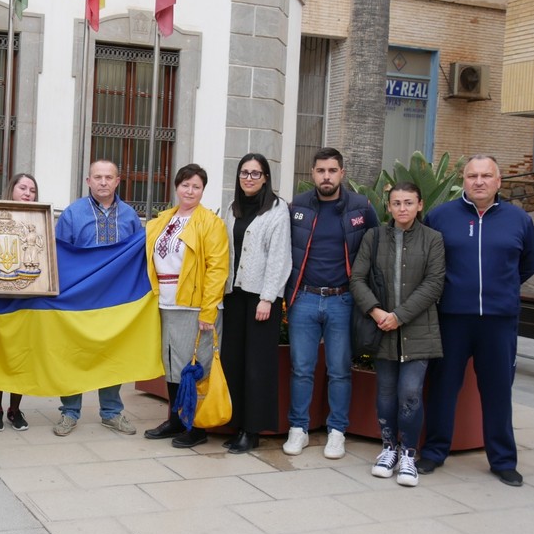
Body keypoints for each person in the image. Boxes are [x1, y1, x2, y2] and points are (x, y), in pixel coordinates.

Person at [419, 155, 534, 487]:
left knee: (498, 391)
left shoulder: (518, 220)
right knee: (444, 388)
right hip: (452, 318)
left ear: (499, 181)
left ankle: (502, 460)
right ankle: (433, 451)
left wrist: (504, 290)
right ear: (464, 180)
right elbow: (428, 261)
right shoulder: (441, 217)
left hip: (499, 322)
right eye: (473, 175)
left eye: (487, 175)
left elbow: (528, 263)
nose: (479, 181)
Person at [284, 147, 378, 459]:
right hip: (305, 298)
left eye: (332, 170)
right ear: (312, 174)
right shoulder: (297, 206)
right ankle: (298, 428)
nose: (327, 176)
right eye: (321, 170)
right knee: (301, 369)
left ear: (342, 173)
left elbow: (376, 249)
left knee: (340, 370)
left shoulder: (361, 207)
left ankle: (336, 430)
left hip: (342, 299)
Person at [350, 182, 445, 487]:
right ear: (388, 207)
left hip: (418, 330)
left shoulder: (433, 239)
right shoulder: (373, 237)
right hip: (382, 330)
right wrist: (377, 312)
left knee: (411, 393)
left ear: (420, 205)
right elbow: (357, 279)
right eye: (396, 203)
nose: (402, 208)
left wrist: (400, 316)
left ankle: (408, 453)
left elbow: (434, 284)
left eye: (408, 202)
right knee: (386, 393)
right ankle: (388, 448)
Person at [53, 159, 142, 437]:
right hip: (79, 297)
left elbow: (136, 258)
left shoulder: (129, 216)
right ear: (88, 181)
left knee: (112, 353)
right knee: (74, 353)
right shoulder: (72, 213)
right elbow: (59, 255)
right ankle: (69, 412)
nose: (103, 182)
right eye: (98, 177)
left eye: (109, 177)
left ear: (118, 181)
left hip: (116, 298)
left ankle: (112, 412)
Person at [144, 164, 228, 448]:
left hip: (195, 307)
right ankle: (176, 419)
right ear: (176, 187)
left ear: (203, 190)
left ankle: (197, 426)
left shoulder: (211, 223)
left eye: (196, 186)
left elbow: (217, 269)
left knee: (195, 367)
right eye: (185, 185)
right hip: (166, 303)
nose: (190, 191)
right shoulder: (163, 219)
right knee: (171, 365)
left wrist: (209, 310)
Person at [219, 154, 291, 454]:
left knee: (257, 366)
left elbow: (279, 256)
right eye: (244, 173)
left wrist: (268, 297)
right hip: (234, 296)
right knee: (233, 360)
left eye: (255, 173)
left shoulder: (277, 210)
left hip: (261, 298)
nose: (249, 178)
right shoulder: (231, 209)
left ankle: (253, 430)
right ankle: (236, 424)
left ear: (265, 178)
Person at [0, 173, 40, 432]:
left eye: (32, 190)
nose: (28, 193)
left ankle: (15, 409)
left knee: (21, 355)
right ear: (12, 189)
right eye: (23, 188)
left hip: (28, 296)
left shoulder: (39, 222)